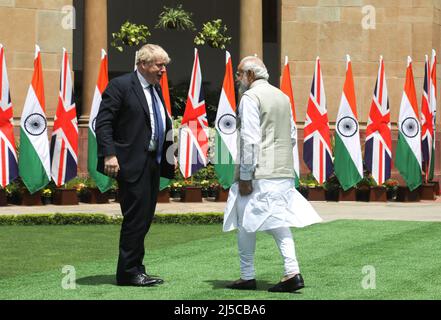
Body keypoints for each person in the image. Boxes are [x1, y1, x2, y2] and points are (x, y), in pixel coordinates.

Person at [223, 56, 322, 293]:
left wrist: (246, 176)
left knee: (255, 222)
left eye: (239, 74)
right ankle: (279, 272)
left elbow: (250, 139)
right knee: (271, 221)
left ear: (250, 75)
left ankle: (271, 273)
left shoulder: (250, 97)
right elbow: (290, 136)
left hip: (259, 172)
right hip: (282, 170)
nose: (238, 79)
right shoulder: (282, 96)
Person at [95, 44, 175, 287]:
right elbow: (103, 123)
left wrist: (171, 153)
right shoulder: (121, 85)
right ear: (143, 64)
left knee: (145, 217)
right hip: (130, 163)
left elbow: (158, 122)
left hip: (152, 162)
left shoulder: (156, 88)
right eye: (158, 65)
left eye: (164, 65)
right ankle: (128, 272)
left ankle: (136, 268)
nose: (163, 70)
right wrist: (109, 155)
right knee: (135, 218)